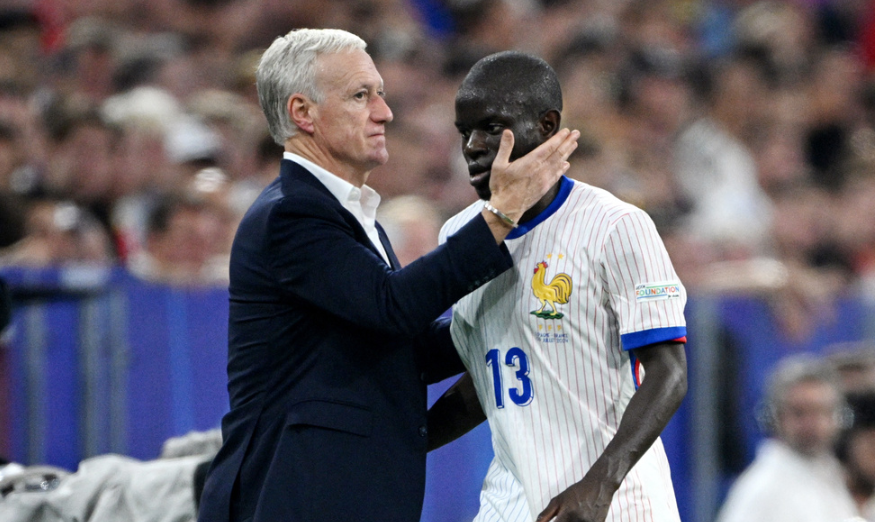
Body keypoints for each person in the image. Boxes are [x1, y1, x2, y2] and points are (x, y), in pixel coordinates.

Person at [196, 29, 579, 522]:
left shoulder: (354, 217)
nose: (384, 112)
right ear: (302, 112)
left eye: (380, 93)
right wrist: (502, 214)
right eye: (361, 96)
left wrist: (517, 319)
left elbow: (408, 345)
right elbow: (391, 306)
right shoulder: (291, 214)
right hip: (292, 495)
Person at [428, 51, 688, 522]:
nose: (472, 145)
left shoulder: (617, 226)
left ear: (547, 126)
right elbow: (486, 383)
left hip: (616, 502)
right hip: (509, 502)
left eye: (490, 126)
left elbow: (669, 371)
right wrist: (394, 446)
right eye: (464, 133)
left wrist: (600, 482)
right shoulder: (460, 236)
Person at [716, 355, 858, 522]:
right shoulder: (763, 488)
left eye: (822, 411)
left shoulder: (831, 476)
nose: (812, 424)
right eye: (799, 413)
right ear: (777, 417)